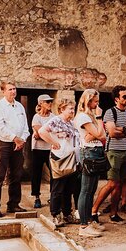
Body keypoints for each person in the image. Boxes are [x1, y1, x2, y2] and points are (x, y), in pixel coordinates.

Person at [38, 99, 89, 234]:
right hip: (60, 158)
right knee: (58, 188)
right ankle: (55, 214)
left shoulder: (72, 123)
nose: (72, 111)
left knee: (69, 188)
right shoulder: (56, 120)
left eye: (73, 108)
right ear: (62, 109)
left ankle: (67, 213)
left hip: (72, 159)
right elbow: (42, 131)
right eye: (70, 109)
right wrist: (53, 142)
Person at [91, 85, 126, 225]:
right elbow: (111, 133)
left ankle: (114, 213)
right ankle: (93, 210)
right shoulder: (110, 112)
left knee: (119, 184)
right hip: (113, 151)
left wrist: (121, 129)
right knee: (112, 183)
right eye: (124, 96)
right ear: (117, 99)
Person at [0, 81, 30, 218]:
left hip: (18, 144)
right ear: (3, 91)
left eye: (14, 89)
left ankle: (13, 204)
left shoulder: (19, 107)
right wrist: (15, 138)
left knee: (16, 175)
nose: (13, 91)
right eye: (10, 89)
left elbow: (25, 127)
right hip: (3, 144)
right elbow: (0, 127)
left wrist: (22, 139)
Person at [74, 89, 107, 236]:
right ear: (87, 101)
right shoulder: (82, 117)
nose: (97, 104)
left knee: (92, 189)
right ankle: (83, 226)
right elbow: (100, 133)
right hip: (89, 152)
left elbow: (102, 135)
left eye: (98, 101)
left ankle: (89, 220)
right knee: (85, 190)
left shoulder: (89, 116)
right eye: (94, 101)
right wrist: (99, 118)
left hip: (96, 151)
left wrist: (95, 133)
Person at [30, 95, 56, 208]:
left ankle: (52, 196)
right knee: (36, 174)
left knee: (54, 173)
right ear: (40, 103)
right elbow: (40, 132)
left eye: (50, 102)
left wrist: (40, 134)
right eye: (47, 102)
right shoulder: (36, 117)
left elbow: (53, 133)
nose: (50, 104)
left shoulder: (53, 117)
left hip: (50, 149)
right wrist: (43, 133)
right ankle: (37, 197)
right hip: (37, 149)